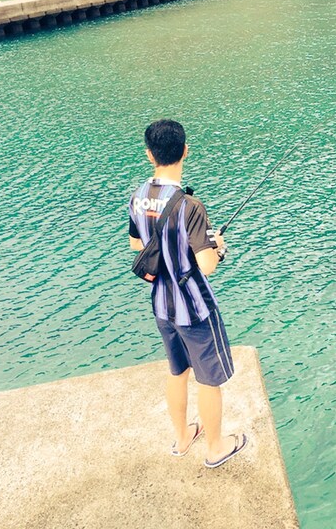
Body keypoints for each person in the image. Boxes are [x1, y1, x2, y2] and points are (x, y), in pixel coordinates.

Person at [128, 119, 248, 468]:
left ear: (150, 154)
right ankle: (215, 448)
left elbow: (136, 244)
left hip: (161, 305)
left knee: (177, 371)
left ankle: (182, 439)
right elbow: (206, 265)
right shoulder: (190, 206)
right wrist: (218, 247)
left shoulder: (138, 197)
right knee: (208, 378)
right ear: (185, 151)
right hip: (194, 308)